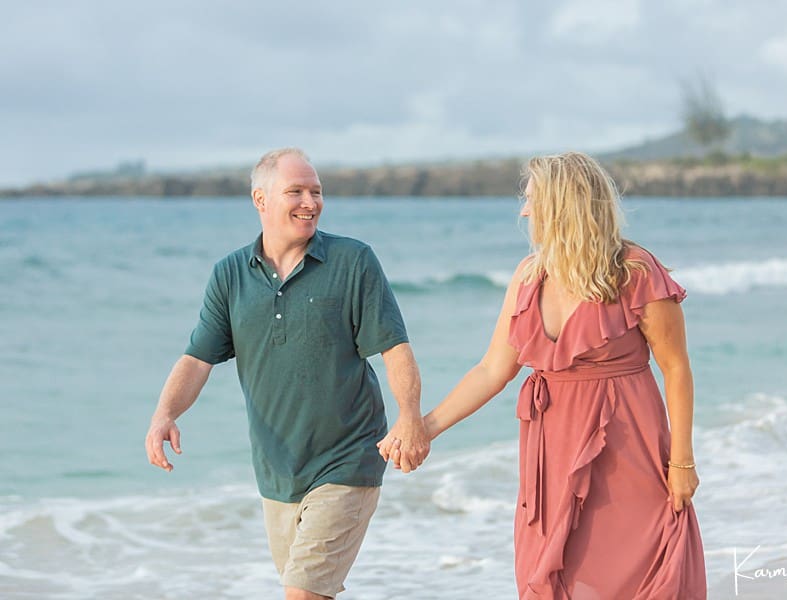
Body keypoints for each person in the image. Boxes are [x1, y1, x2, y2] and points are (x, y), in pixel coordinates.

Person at [381, 152, 707, 599]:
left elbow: (676, 368)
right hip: (552, 451)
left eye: (532, 199)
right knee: (558, 569)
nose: (524, 211)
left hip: (628, 446)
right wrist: (424, 428)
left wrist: (682, 462)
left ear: (561, 204)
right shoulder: (529, 276)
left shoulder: (634, 270)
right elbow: (492, 370)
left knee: (643, 566)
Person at [145, 148, 430, 600]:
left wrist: (409, 417)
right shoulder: (230, 275)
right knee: (310, 593)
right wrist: (165, 414)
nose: (310, 203)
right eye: (295, 191)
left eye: (316, 192)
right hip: (277, 472)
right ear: (260, 199)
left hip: (348, 458)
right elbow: (197, 359)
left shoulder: (353, 261)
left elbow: (394, 346)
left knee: (301, 594)